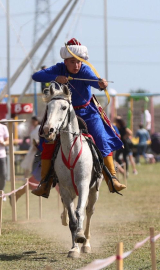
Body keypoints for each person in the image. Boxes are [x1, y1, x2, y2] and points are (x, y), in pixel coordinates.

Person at [30, 38, 126, 198]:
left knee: (101, 139)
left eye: (79, 62)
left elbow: (96, 82)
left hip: (87, 112)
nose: (76, 65)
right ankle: (45, 183)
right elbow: (36, 76)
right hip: (64, 114)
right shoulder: (59, 69)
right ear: (65, 62)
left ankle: (112, 179)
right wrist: (55, 79)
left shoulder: (85, 70)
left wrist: (101, 84)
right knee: (48, 141)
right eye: (72, 62)